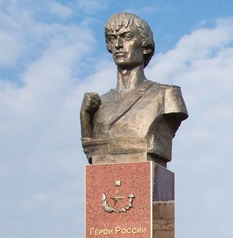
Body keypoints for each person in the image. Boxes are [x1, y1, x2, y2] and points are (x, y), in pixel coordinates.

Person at [80, 12, 187, 167]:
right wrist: (85, 118)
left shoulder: (166, 94)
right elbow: (93, 153)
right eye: (112, 38)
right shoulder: (97, 105)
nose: (117, 45)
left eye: (127, 36)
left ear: (145, 46)